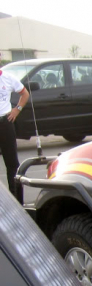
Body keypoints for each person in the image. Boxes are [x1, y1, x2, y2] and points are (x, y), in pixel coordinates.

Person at [0, 69, 30, 203]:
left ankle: (17, 201)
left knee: (12, 164)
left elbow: (25, 94)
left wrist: (17, 109)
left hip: (5, 122)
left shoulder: (8, 78)